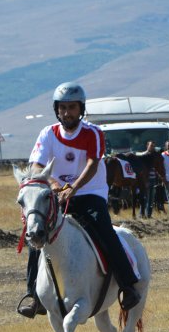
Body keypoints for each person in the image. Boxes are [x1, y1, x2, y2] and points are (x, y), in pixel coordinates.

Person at [19, 81, 141, 318]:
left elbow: (93, 164)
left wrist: (73, 188)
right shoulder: (47, 133)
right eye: (63, 108)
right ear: (57, 109)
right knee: (37, 234)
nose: (67, 112)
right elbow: (37, 164)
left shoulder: (92, 133)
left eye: (72, 107)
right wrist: (54, 185)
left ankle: (127, 285)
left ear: (81, 109)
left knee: (105, 233)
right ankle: (33, 295)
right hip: (56, 195)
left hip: (89, 193)